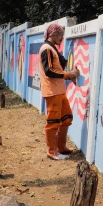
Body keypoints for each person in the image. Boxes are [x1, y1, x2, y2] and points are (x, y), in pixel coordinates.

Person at [39, 23, 80, 160]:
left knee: (67, 118)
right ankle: (52, 151)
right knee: (53, 122)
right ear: (53, 34)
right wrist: (68, 75)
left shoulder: (51, 48)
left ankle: (61, 148)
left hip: (59, 90)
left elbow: (57, 68)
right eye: (60, 36)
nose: (62, 39)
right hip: (52, 91)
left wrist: (69, 75)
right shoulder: (46, 49)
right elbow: (49, 71)